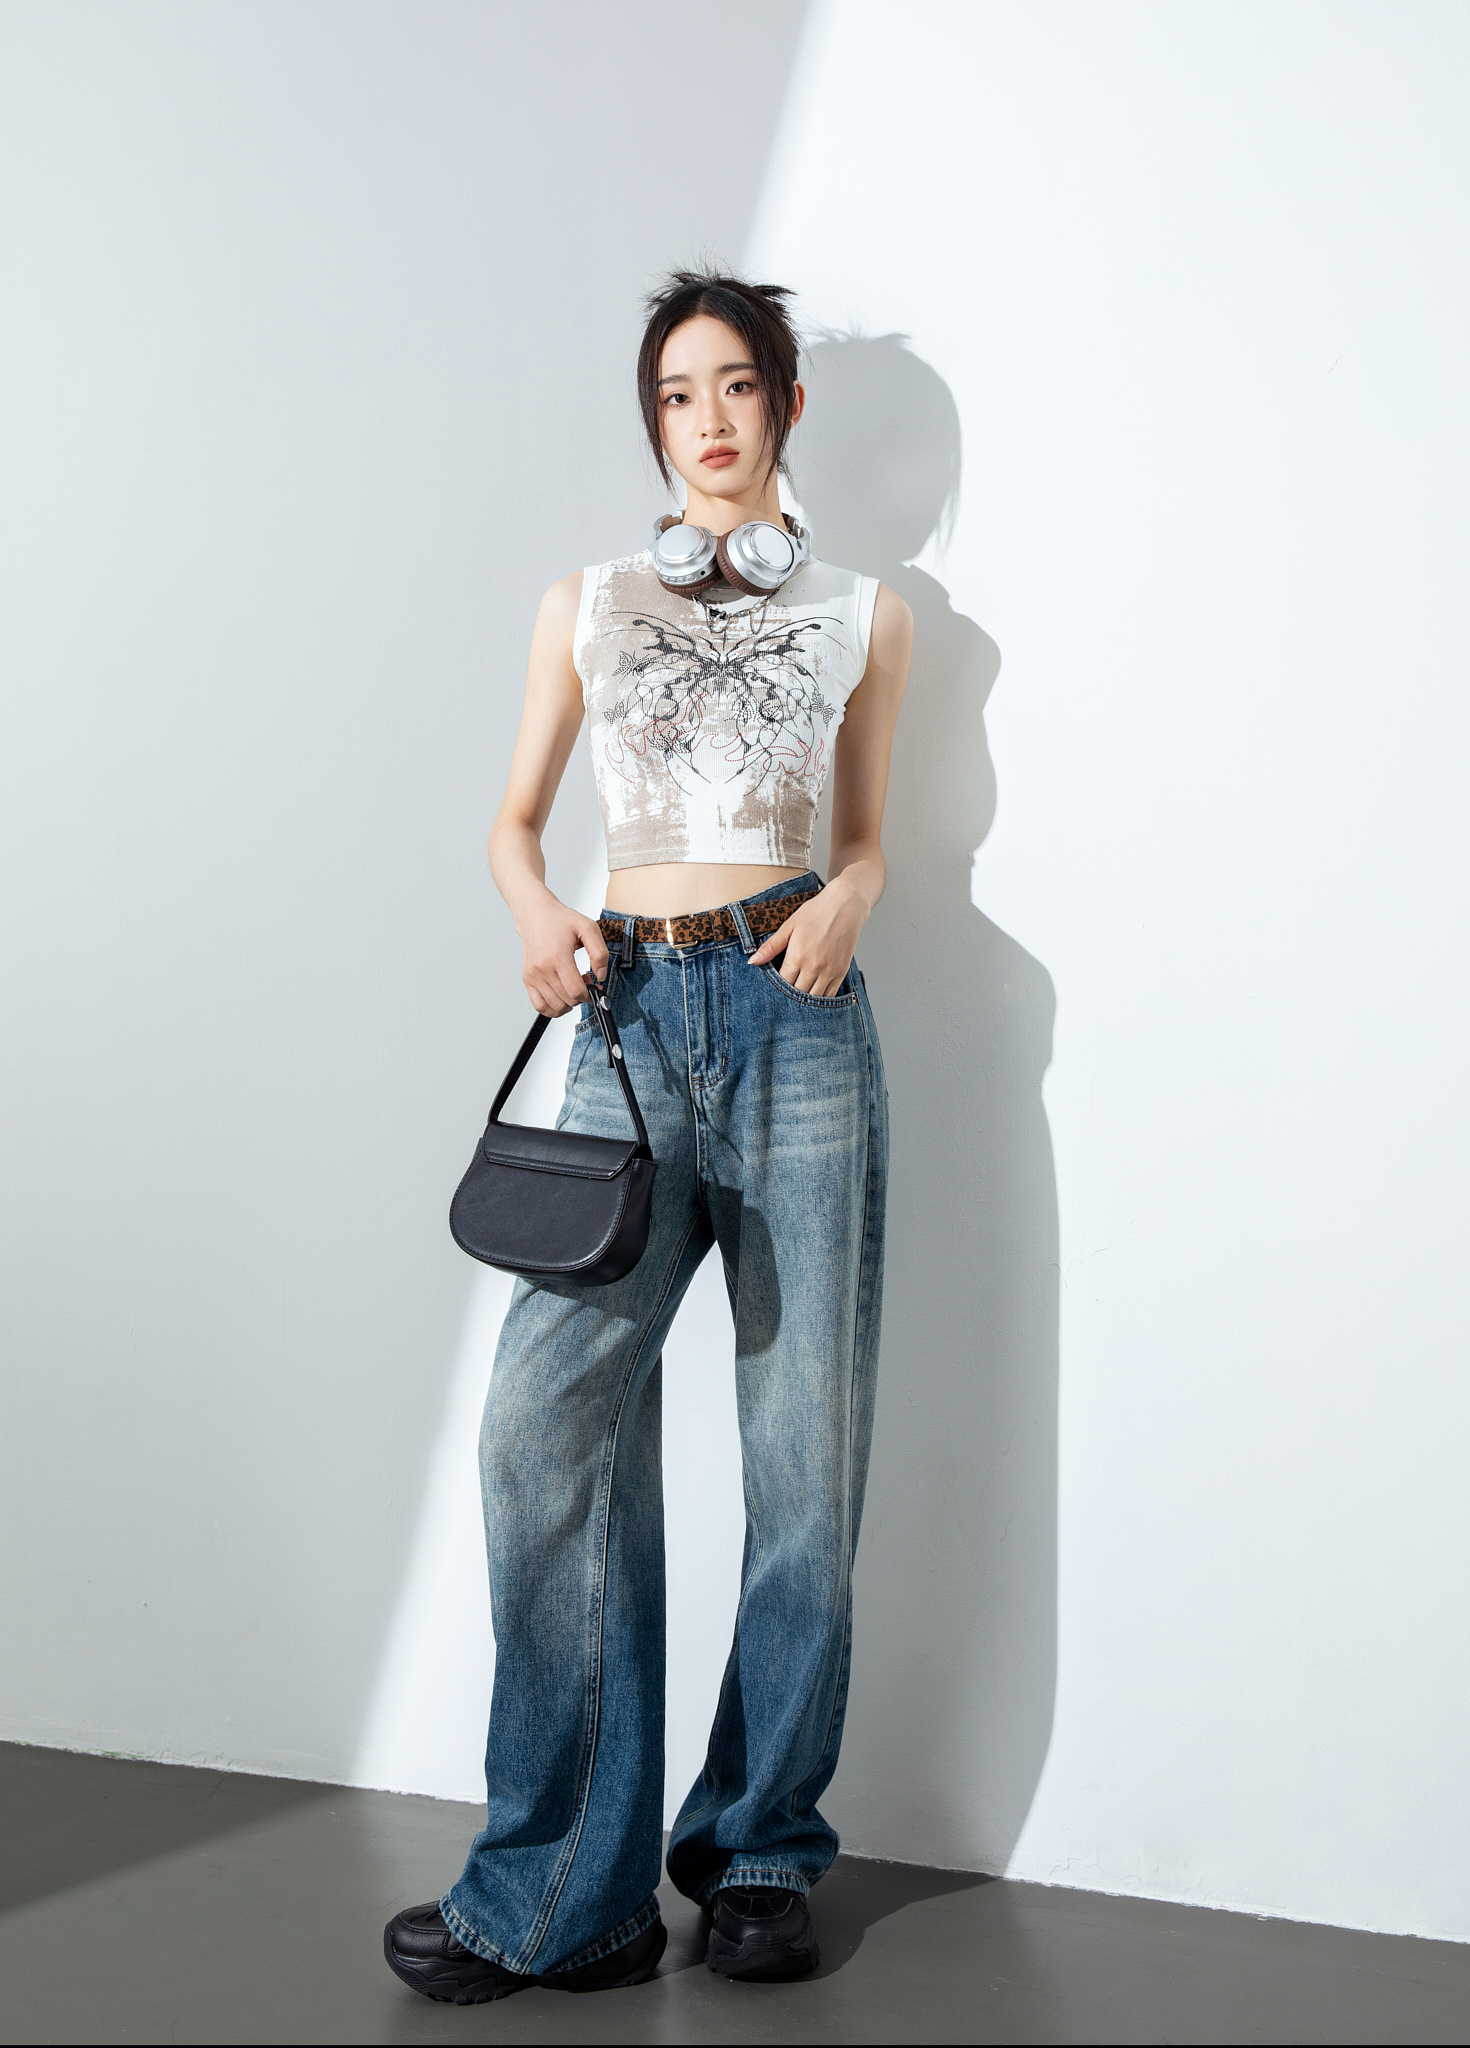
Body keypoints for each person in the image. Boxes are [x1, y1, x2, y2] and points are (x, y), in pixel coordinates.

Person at [384, 269, 912, 2004]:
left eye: (736, 384)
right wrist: (537, 910)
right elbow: (511, 823)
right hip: (621, 1025)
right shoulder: (587, 604)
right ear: (653, 421)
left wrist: (849, 897)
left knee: (802, 1463)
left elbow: (865, 840)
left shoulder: (864, 616)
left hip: (794, 1022)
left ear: (784, 406)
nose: (707, 418)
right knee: (543, 1434)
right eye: (678, 393)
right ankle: (568, 1889)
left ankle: (757, 1853)